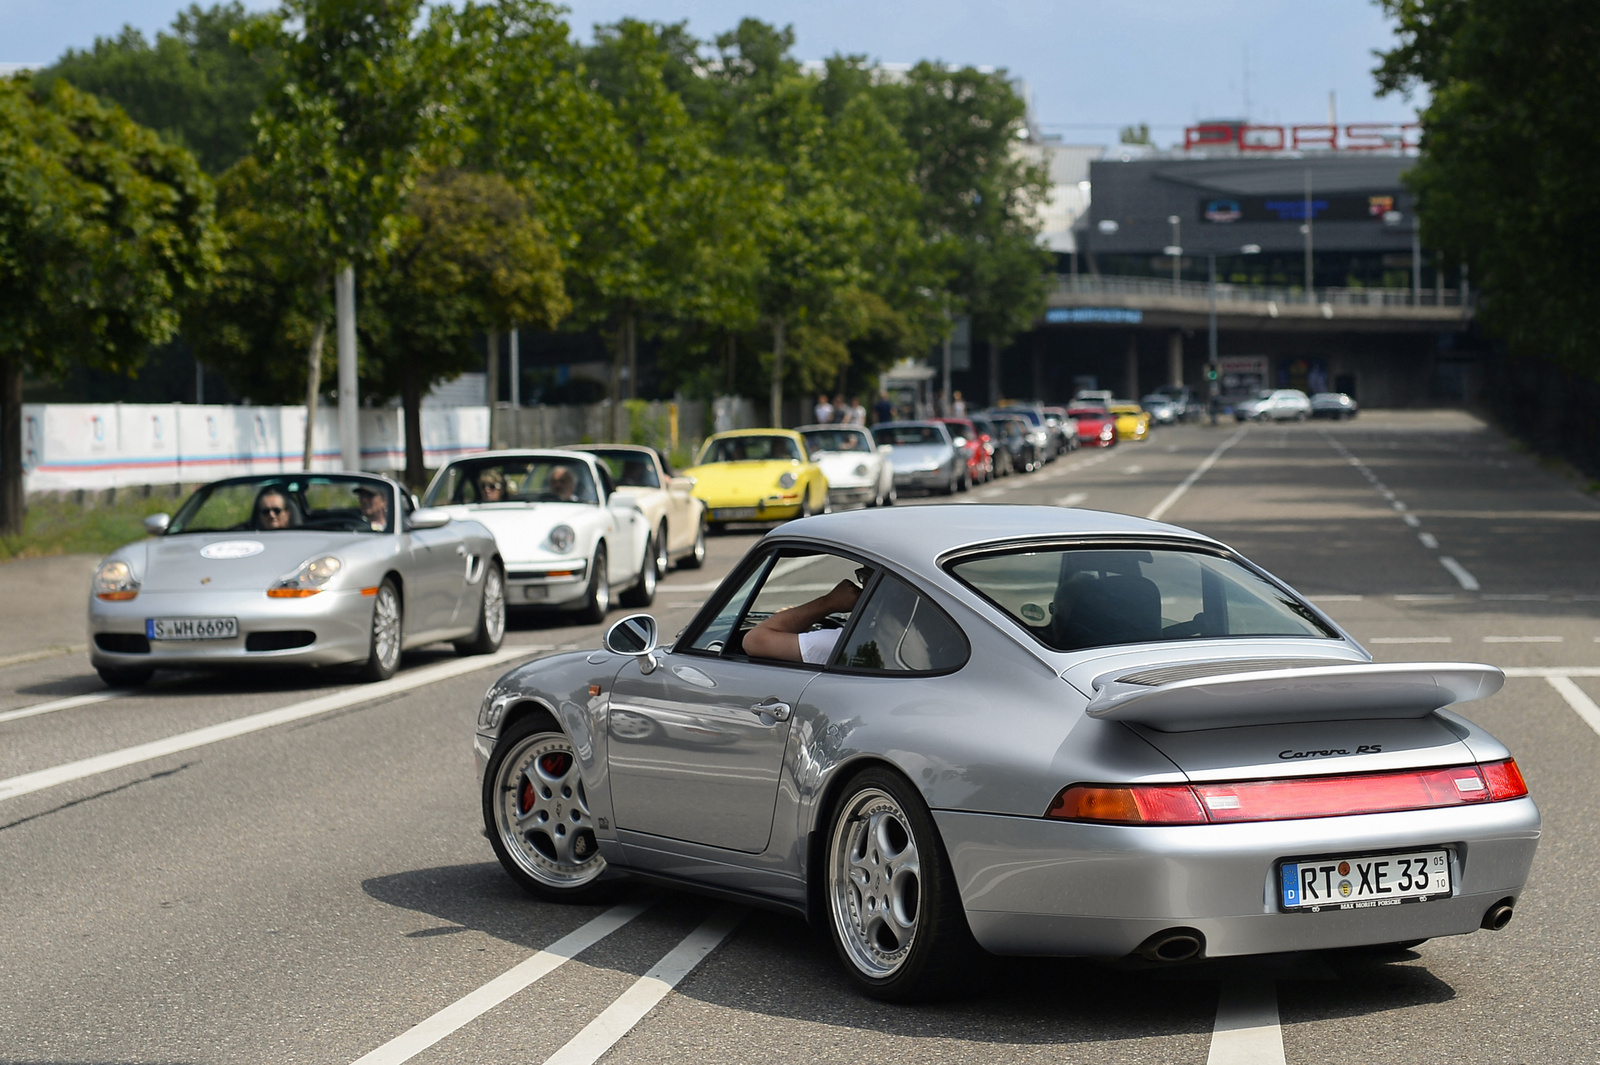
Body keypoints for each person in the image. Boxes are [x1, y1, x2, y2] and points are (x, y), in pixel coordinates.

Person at [744, 573, 866, 664]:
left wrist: (829, 602)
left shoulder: (843, 643)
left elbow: (754, 641)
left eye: (864, 576)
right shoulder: (876, 637)